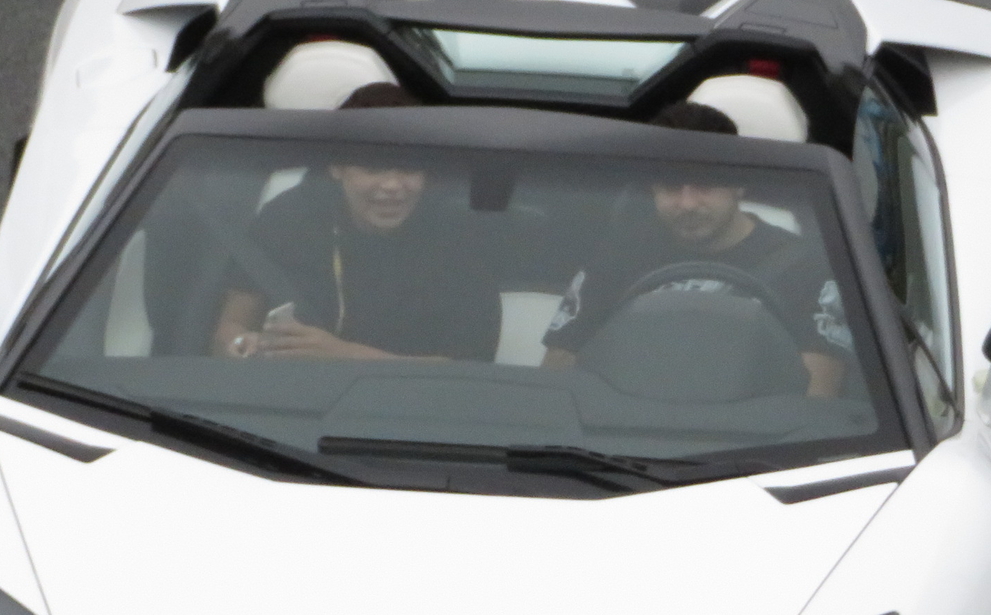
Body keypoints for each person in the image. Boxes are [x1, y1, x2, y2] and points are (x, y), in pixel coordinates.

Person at [542, 102, 850, 396]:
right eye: (671, 187)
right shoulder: (614, 261)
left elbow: (816, 395)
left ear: (738, 184)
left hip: (751, 442)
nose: (687, 204)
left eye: (704, 185)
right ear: (652, 187)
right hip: (620, 437)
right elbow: (556, 374)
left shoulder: (806, 269)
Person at [209, 83, 504, 361]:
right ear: (337, 167)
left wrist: (342, 355)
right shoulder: (286, 218)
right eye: (373, 167)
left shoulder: (458, 236)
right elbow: (230, 325)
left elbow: (468, 369)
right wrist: (241, 346)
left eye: (409, 168)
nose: (392, 185)